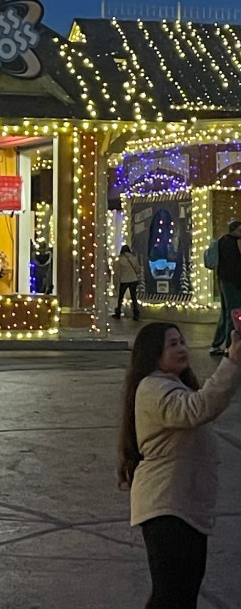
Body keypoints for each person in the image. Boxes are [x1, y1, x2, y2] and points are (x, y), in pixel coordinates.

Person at [118, 322, 241, 608]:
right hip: (167, 507)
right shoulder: (152, 387)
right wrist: (232, 361)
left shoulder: (171, 385)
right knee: (172, 596)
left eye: (182, 342)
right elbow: (196, 409)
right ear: (153, 353)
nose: (182, 349)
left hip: (183, 506)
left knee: (180, 595)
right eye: (172, 344)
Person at [210, 219, 241, 356]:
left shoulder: (224, 241)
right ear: (234, 229)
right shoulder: (230, 243)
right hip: (231, 283)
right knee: (232, 314)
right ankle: (229, 345)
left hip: (224, 282)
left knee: (225, 313)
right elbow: (234, 267)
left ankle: (217, 344)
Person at [113, 244, 141, 320]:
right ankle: (136, 314)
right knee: (134, 297)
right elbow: (138, 269)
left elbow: (117, 271)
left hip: (124, 280)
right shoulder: (133, 258)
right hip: (133, 279)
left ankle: (118, 312)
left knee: (120, 297)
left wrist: (115, 282)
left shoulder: (119, 259)